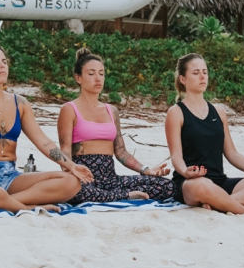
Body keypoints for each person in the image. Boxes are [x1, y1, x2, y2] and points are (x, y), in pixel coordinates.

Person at [0, 43, 92, 212]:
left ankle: (5, 201)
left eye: (4, 62)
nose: (2, 66)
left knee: (71, 182)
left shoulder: (20, 103)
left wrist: (71, 166)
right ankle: (28, 206)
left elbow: (42, 141)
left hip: (11, 177)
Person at [165, 53, 244, 213]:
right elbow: (176, 157)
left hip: (220, 182)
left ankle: (218, 203)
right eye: (196, 73)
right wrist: (186, 172)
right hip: (192, 184)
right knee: (202, 185)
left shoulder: (218, 112)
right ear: (183, 79)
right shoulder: (176, 112)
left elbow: (232, 153)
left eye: (205, 72)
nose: (202, 76)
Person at [56, 48, 174, 204]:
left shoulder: (112, 111)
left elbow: (121, 152)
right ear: (78, 78)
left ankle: (117, 194)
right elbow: (65, 151)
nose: (98, 78)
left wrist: (146, 170)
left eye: (101, 73)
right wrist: (70, 173)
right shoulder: (69, 109)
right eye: (91, 74)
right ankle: (125, 196)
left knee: (168, 186)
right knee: (76, 192)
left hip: (111, 180)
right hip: (84, 178)